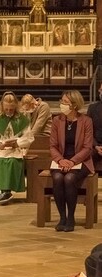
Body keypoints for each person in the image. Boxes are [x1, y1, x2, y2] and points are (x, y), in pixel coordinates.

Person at [50, 90, 94, 232]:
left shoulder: (86, 121)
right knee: (57, 177)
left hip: (81, 161)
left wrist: (72, 162)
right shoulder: (57, 120)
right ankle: (62, 217)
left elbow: (87, 148)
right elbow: (53, 146)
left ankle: (71, 218)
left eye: (65, 102)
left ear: (74, 105)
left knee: (69, 178)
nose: (62, 105)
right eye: (61, 101)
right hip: (61, 160)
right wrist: (61, 160)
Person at [0, 91, 34, 205]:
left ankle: (6, 190)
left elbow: (29, 137)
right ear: (2, 107)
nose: (8, 112)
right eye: (6, 109)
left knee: (12, 161)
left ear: (15, 107)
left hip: (15, 149)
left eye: (11, 110)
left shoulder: (22, 120)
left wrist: (17, 143)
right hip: (0, 149)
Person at [87, 82, 102, 166]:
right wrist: (96, 146)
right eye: (101, 90)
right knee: (84, 155)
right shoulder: (92, 108)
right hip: (96, 147)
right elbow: (88, 132)